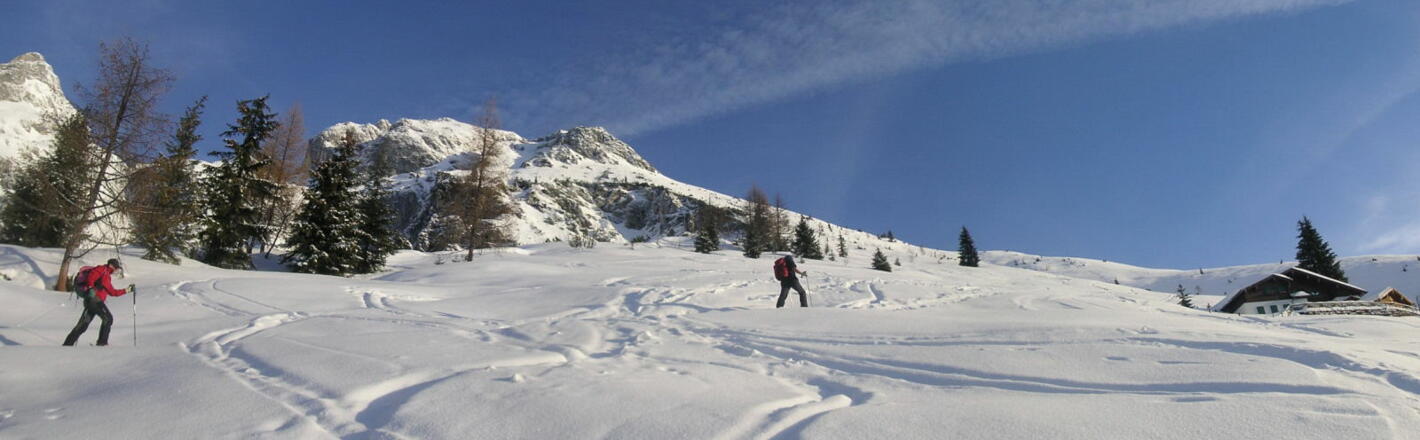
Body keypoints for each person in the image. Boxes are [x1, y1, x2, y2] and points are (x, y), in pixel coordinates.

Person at [63, 259, 133, 346]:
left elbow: (112, 292)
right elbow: (91, 277)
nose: (116, 270)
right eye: (116, 268)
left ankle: (67, 345)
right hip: (94, 300)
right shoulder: (102, 269)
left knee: (83, 325)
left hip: (91, 301)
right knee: (108, 318)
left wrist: (127, 290)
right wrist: (91, 288)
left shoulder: (107, 275)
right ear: (111, 266)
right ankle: (102, 343)